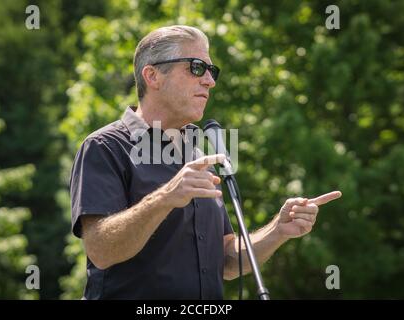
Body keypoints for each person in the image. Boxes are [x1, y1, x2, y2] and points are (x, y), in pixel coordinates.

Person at [69, 25, 342, 300]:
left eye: (213, 71)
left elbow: (226, 262)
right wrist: (166, 197)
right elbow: (101, 251)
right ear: (152, 76)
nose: (209, 81)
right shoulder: (105, 147)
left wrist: (278, 230)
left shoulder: (199, 158)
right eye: (197, 68)